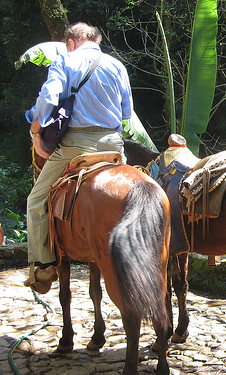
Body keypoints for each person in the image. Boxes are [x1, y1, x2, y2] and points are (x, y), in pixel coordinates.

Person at [24, 22, 133, 293]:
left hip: (76, 146)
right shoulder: (117, 66)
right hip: (114, 146)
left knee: (36, 199)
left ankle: (44, 264)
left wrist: (36, 132)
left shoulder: (66, 60)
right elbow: (125, 113)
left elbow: (48, 99)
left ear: (71, 42)